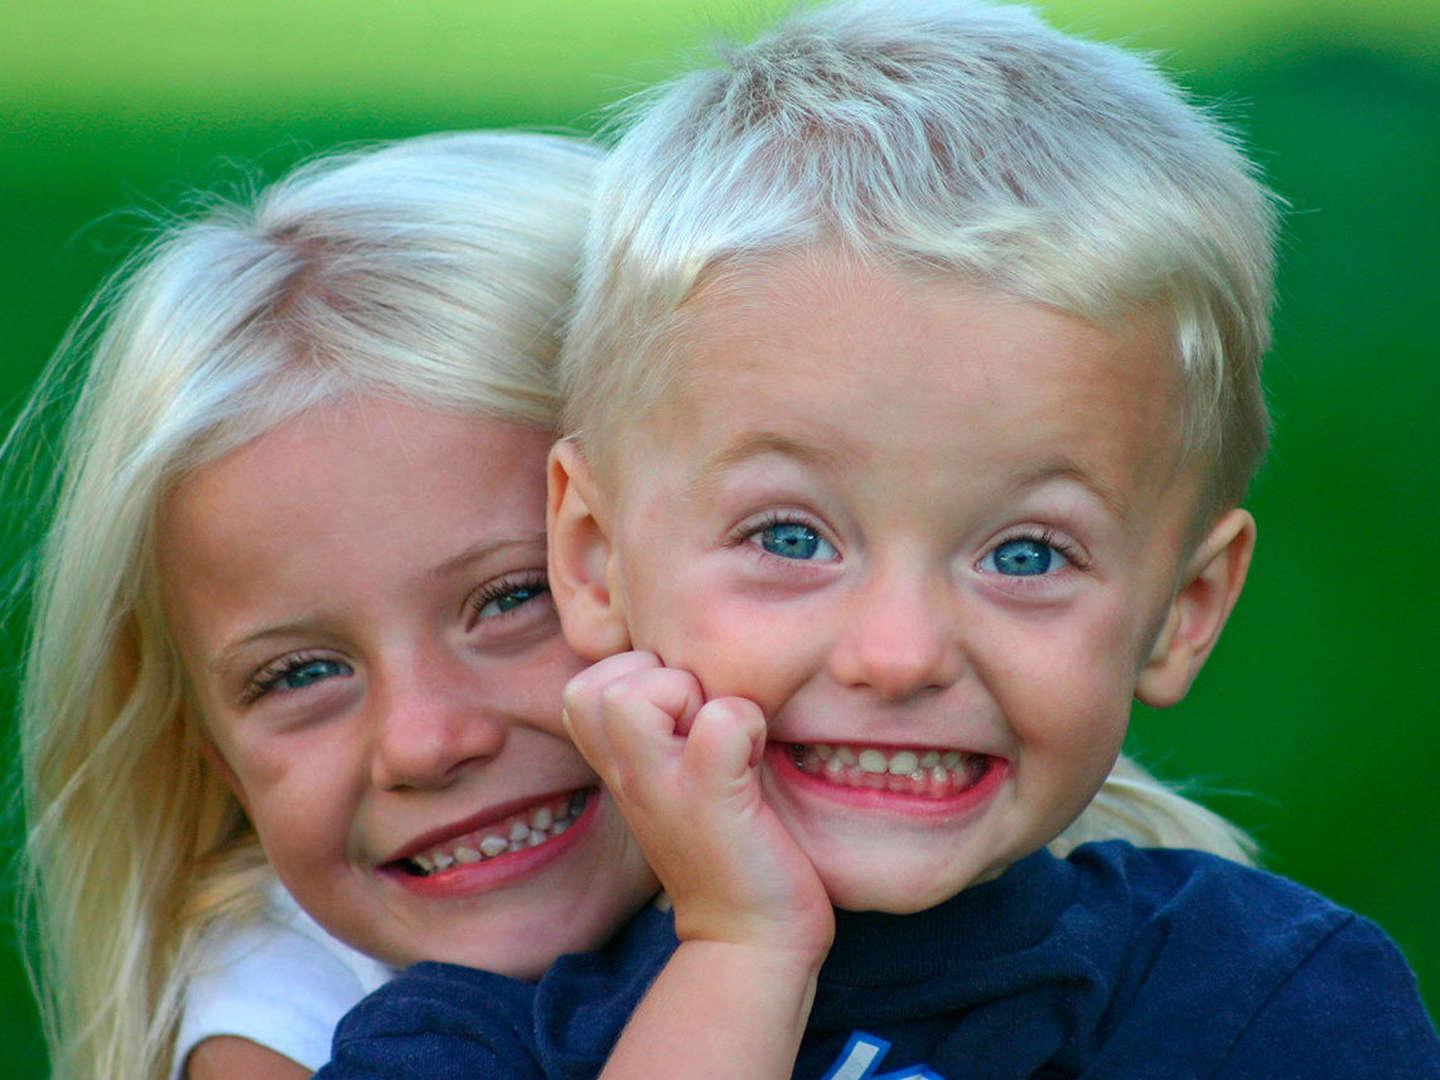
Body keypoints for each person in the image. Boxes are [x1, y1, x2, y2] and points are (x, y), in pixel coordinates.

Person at [316, 1, 1440, 1077]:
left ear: (1182, 611)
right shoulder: (461, 1044)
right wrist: (741, 951)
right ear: (598, 557)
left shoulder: (1258, 1000)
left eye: (1027, 555)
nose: (899, 656)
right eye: (791, 537)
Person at [7, 131, 659, 1080]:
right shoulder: (283, 1024)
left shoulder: (892, 832)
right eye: (301, 674)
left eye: (515, 598)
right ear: (221, 764)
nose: (424, 742)